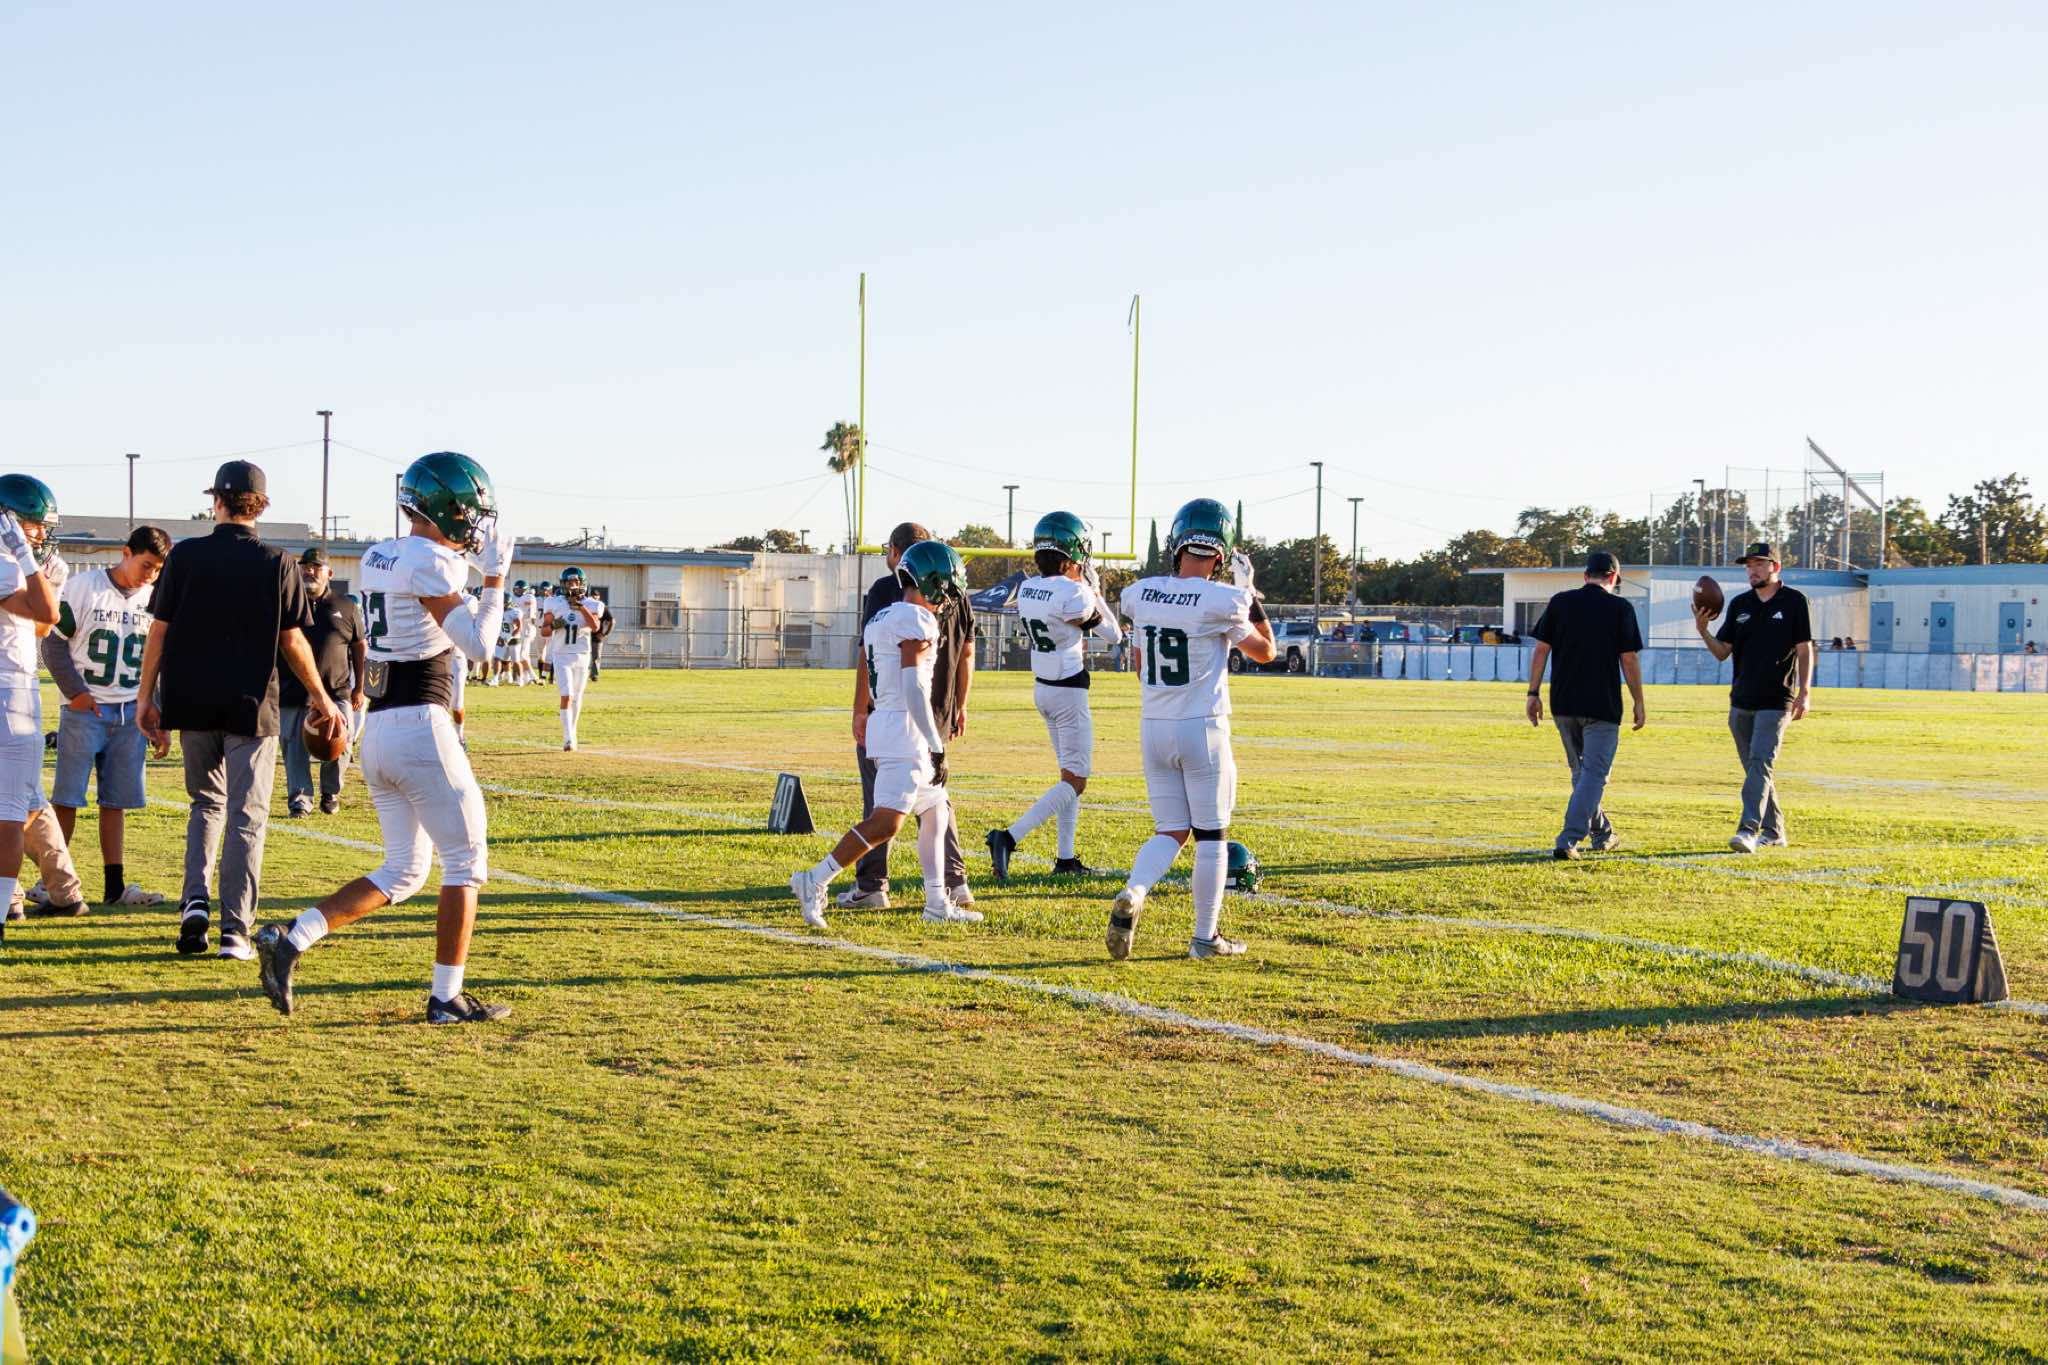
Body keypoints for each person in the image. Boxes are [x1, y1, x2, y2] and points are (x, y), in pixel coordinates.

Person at [255, 451, 516, 1024]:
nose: (474, 525)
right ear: (446, 508)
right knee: (466, 862)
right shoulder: (431, 561)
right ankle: (446, 998)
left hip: (380, 729)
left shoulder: (382, 554)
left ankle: (292, 938)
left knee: (403, 869)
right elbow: (479, 646)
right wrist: (496, 577)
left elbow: (425, 593)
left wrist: (470, 566)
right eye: (468, 512)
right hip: (422, 726)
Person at [136, 461, 344, 961]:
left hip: (191, 699)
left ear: (217, 502)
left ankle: (194, 904)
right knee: (246, 814)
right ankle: (235, 928)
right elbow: (292, 640)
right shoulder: (277, 561)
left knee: (205, 805)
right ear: (261, 506)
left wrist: (146, 698)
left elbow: (159, 632)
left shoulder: (185, 556)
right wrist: (320, 695)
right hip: (251, 703)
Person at [1107, 498, 1275, 961]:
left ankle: (1135, 891)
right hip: (1202, 727)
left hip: (1154, 727)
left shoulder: (1141, 593)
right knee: (1212, 837)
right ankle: (1205, 938)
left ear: (1176, 543)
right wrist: (1250, 593)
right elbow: (1266, 652)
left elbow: (1140, 667)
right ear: (1221, 553)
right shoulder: (1223, 600)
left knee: (1170, 830)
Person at [792, 541, 979, 929]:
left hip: (889, 722)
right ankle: (815, 879)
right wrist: (935, 744)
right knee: (886, 823)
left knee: (935, 810)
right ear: (934, 583)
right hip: (904, 728)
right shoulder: (918, 619)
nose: (949, 599)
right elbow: (913, 686)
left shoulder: (884, 616)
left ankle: (936, 902)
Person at [846, 523, 977, 912]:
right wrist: (960, 704)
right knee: (935, 800)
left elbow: (869, 656)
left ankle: (865, 883)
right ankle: (952, 885)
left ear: (897, 553)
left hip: (897, 714)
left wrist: (859, 708)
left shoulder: (891, 591)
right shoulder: (953, 593)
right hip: (937, 711)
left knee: (885, 806)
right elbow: (967, 653)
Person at [985, 511, 1122, 880]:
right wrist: (1095, 591)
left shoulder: (1029, 588)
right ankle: (1009, 837)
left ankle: (1065, 858)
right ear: (1072, 553)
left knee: (1067, 776)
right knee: (1077, 780)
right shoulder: (1074, 593)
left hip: (1043, 688)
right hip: (1068, 692)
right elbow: (1114, 635)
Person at [43, 524, 171, 903]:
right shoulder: (84, 587)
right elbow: (53, 643)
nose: (151, 575)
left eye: (158, 569)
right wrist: (76, 692)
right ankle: (51, 883)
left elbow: (157, 660)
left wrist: (156, 708)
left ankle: (114, 887)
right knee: (67, 798)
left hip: (131, 711)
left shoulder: (154, 599)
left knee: (115, 802)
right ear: (125, 553)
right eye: (146, 565)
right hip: (86, 709)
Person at [1524, 551, 1646, 860]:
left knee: (1581, 775)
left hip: (1563, 703)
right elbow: (1629, 659)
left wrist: (1533, 693)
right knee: (1594, 775)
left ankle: (1603, 833)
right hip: (1601, 704)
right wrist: (1638, 701)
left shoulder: (1560, 602)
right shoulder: (1620, 607)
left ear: (1585, 575)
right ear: (1613, 578)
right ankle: (1569, 838)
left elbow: (1541, 650)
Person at [1694, 541, 1814, 853]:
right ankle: (1774, 831)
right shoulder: (1740, 604)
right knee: (1756, 771)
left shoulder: (1795, 601)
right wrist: (1703, 631)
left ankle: (1748, 830)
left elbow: (1804, 649)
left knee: (1760, 763)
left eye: (1759, 564)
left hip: (1776, 700)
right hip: (1741, 700)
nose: (1752, 570)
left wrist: (1804, 692)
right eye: (1749, 565)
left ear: (1776, 567)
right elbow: (1723, 651)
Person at [0, 476, 71, 940]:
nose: (41, 534)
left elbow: (39, 629)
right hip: (11, 691)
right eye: (32, 523)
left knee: (21, 803)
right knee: (9, 811)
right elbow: (49, 615)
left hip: (13, 686)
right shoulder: (7, 559)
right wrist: (27, 562)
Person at [278, 547, 366, 817]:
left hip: (335, 689)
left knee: (342, 742)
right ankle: (300, 801)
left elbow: (359, 646)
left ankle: (331, 791)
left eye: (316, 567)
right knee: (293, 747)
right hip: (293, 689)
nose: (309, 571)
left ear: (329, 572)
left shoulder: (346, 606)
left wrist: (359, 687)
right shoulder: (287, 602)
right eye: (305, 566)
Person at [538, 566, 601, 750]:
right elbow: (544, 631)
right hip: (561, 655)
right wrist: (554, 625)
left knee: (577, 696)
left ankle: (573, 733)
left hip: (582, 655)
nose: (572, 585)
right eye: (569, 582)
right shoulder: (554, 602)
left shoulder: (591, 604)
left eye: (575, 582)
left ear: (582, 584)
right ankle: (567, 738)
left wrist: (580, 606)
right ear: (563, 584)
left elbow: (595, 627)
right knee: (567, 695)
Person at [588, 588, 615, 679]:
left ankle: (594, 675)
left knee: (596, 657)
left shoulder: (602, 607)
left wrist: (605, 634)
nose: (594, 597)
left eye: (596, 596)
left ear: (599, 597)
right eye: (593, 596)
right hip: (585, 635)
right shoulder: (586, 605)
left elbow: (612, 621)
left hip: (596, 636)